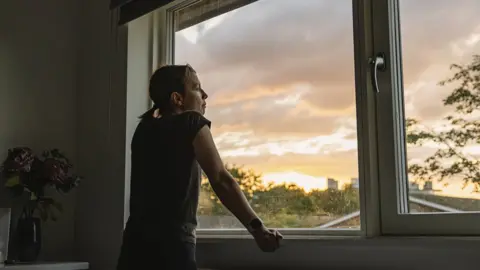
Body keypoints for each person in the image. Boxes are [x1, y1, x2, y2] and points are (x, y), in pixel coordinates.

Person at [117, 64, 283, 270]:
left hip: (133, 247)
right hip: (171, 249)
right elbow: (221, 179)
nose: (204, 95)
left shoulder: (143, 129)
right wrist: (259, 231)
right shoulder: (191, 121)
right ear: (178, 99)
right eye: (196, 87)